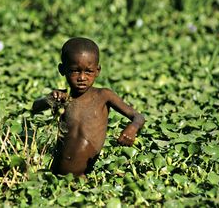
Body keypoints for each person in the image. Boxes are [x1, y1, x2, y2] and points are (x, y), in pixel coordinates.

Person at [31, 37, 145, 177]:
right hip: (54, 175)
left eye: (88, 72)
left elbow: (138, 117)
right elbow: (35, 107)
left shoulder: (103, 96)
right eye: (75, 71)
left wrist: (132, 128)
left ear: (97, 71)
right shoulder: (61, 97)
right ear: (62, 69)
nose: (82, 77)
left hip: (83, 179)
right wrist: (49, 99)